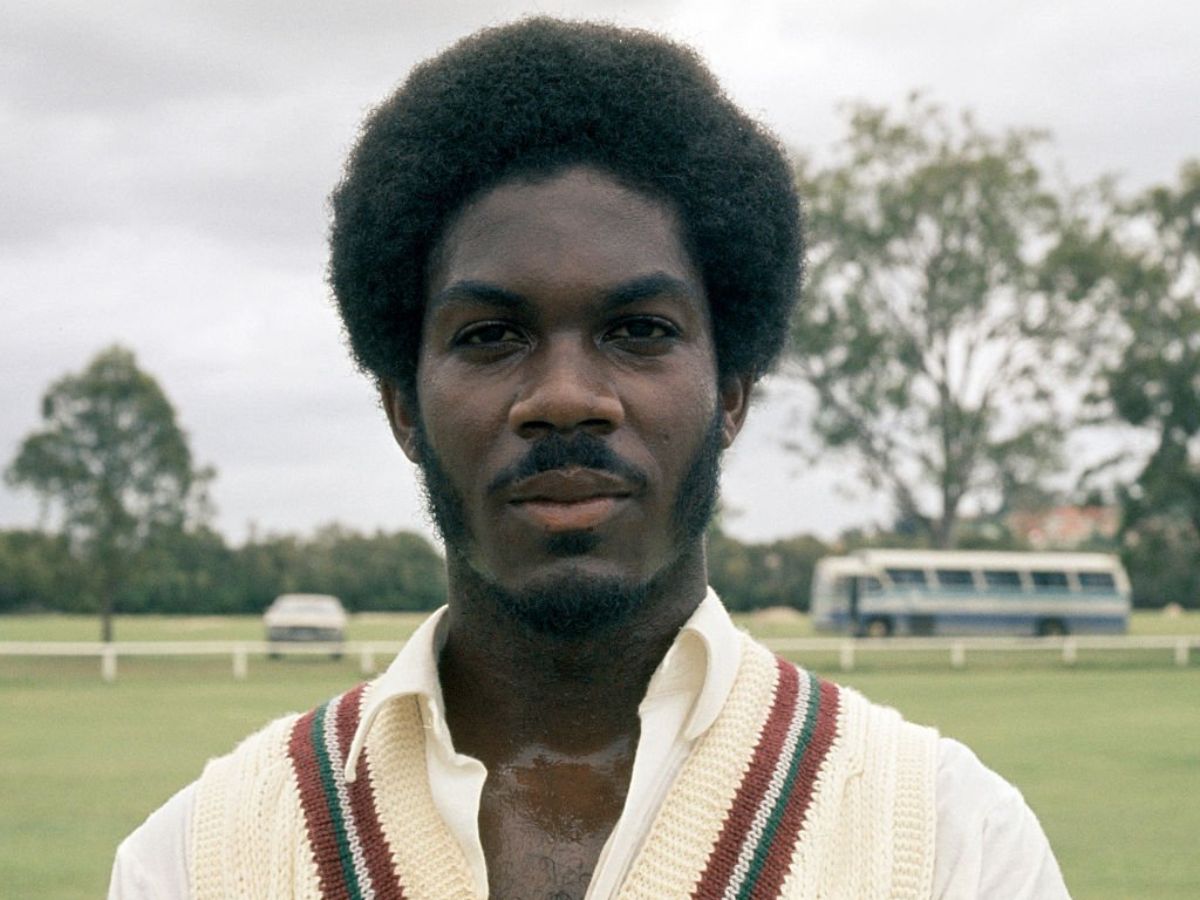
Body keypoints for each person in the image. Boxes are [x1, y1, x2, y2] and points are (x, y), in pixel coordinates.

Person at [109, 18, 1069, 899]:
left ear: (731, 389)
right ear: (401, 403)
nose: (566, 394)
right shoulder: (202, 858)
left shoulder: (951, 842)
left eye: (638, 329)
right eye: (490, 335)